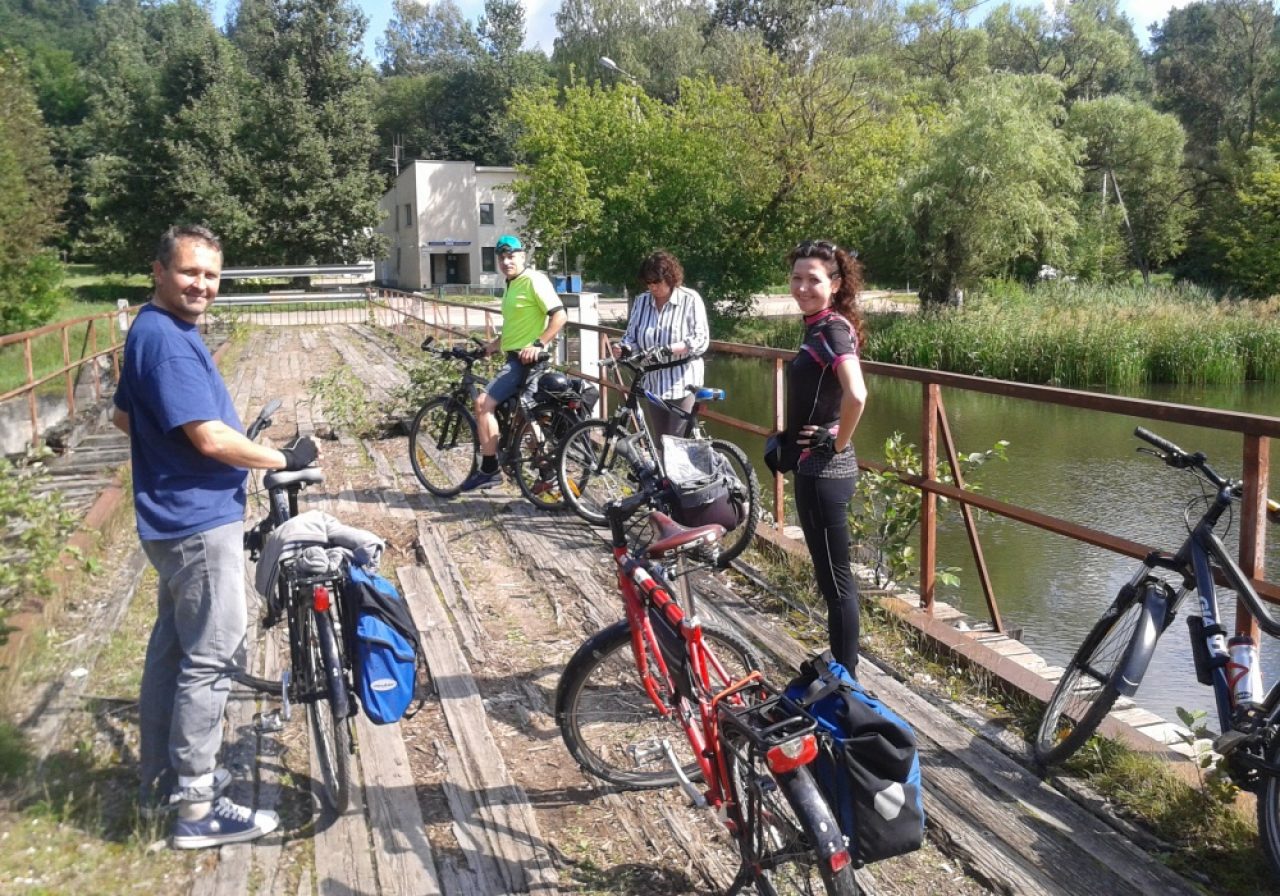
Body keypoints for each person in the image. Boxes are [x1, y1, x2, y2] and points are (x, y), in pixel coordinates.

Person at [113, 224, 317, 848]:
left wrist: (166, 453)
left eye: (210, 274)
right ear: (158, 271)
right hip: (198, 523)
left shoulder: (154, 329)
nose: (201, 284)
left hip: (172, 517)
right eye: (189, 272)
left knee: (174, 652)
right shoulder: (168, 343)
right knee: (213, 657)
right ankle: (197, 808)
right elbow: (208, 437)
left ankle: (162, 782)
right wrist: (282, 458)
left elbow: (123, 415)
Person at [779, 239, 868, 673]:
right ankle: (843, 671)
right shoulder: (820, 325)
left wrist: (835, 442)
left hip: (824, 472)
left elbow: (857, 394)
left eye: (812, 279)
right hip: (817, 469)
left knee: (836, 583)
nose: (802, 287)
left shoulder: (830, 330)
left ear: (834, 283)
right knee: (832, 579)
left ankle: (847, 682)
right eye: (796, 278)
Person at [461, 234, 566, 491]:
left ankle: (489, 469)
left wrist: (538, 344)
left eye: (511, 256)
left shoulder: (533, 280)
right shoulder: (511, 284)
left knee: (483, 403)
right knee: (522, 416)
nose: (506, 262)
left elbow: (560, 316)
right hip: (514, 356)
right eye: (502, 258)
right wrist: (492, 346)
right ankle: (547, 471)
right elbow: (514, 327)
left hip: (525, 361)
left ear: (522, 257)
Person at [613, 250, 710, 440]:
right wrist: (624, 348)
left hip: (682, 381)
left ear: (670, 278)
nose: (652, 287)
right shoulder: (642, 301)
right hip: (654, 381)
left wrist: (669, 350)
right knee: (660, 440)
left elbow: (700, 339)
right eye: (648, 282)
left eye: (656, 282)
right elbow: (631, 336)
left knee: (675, 441)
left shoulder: (690, 299)